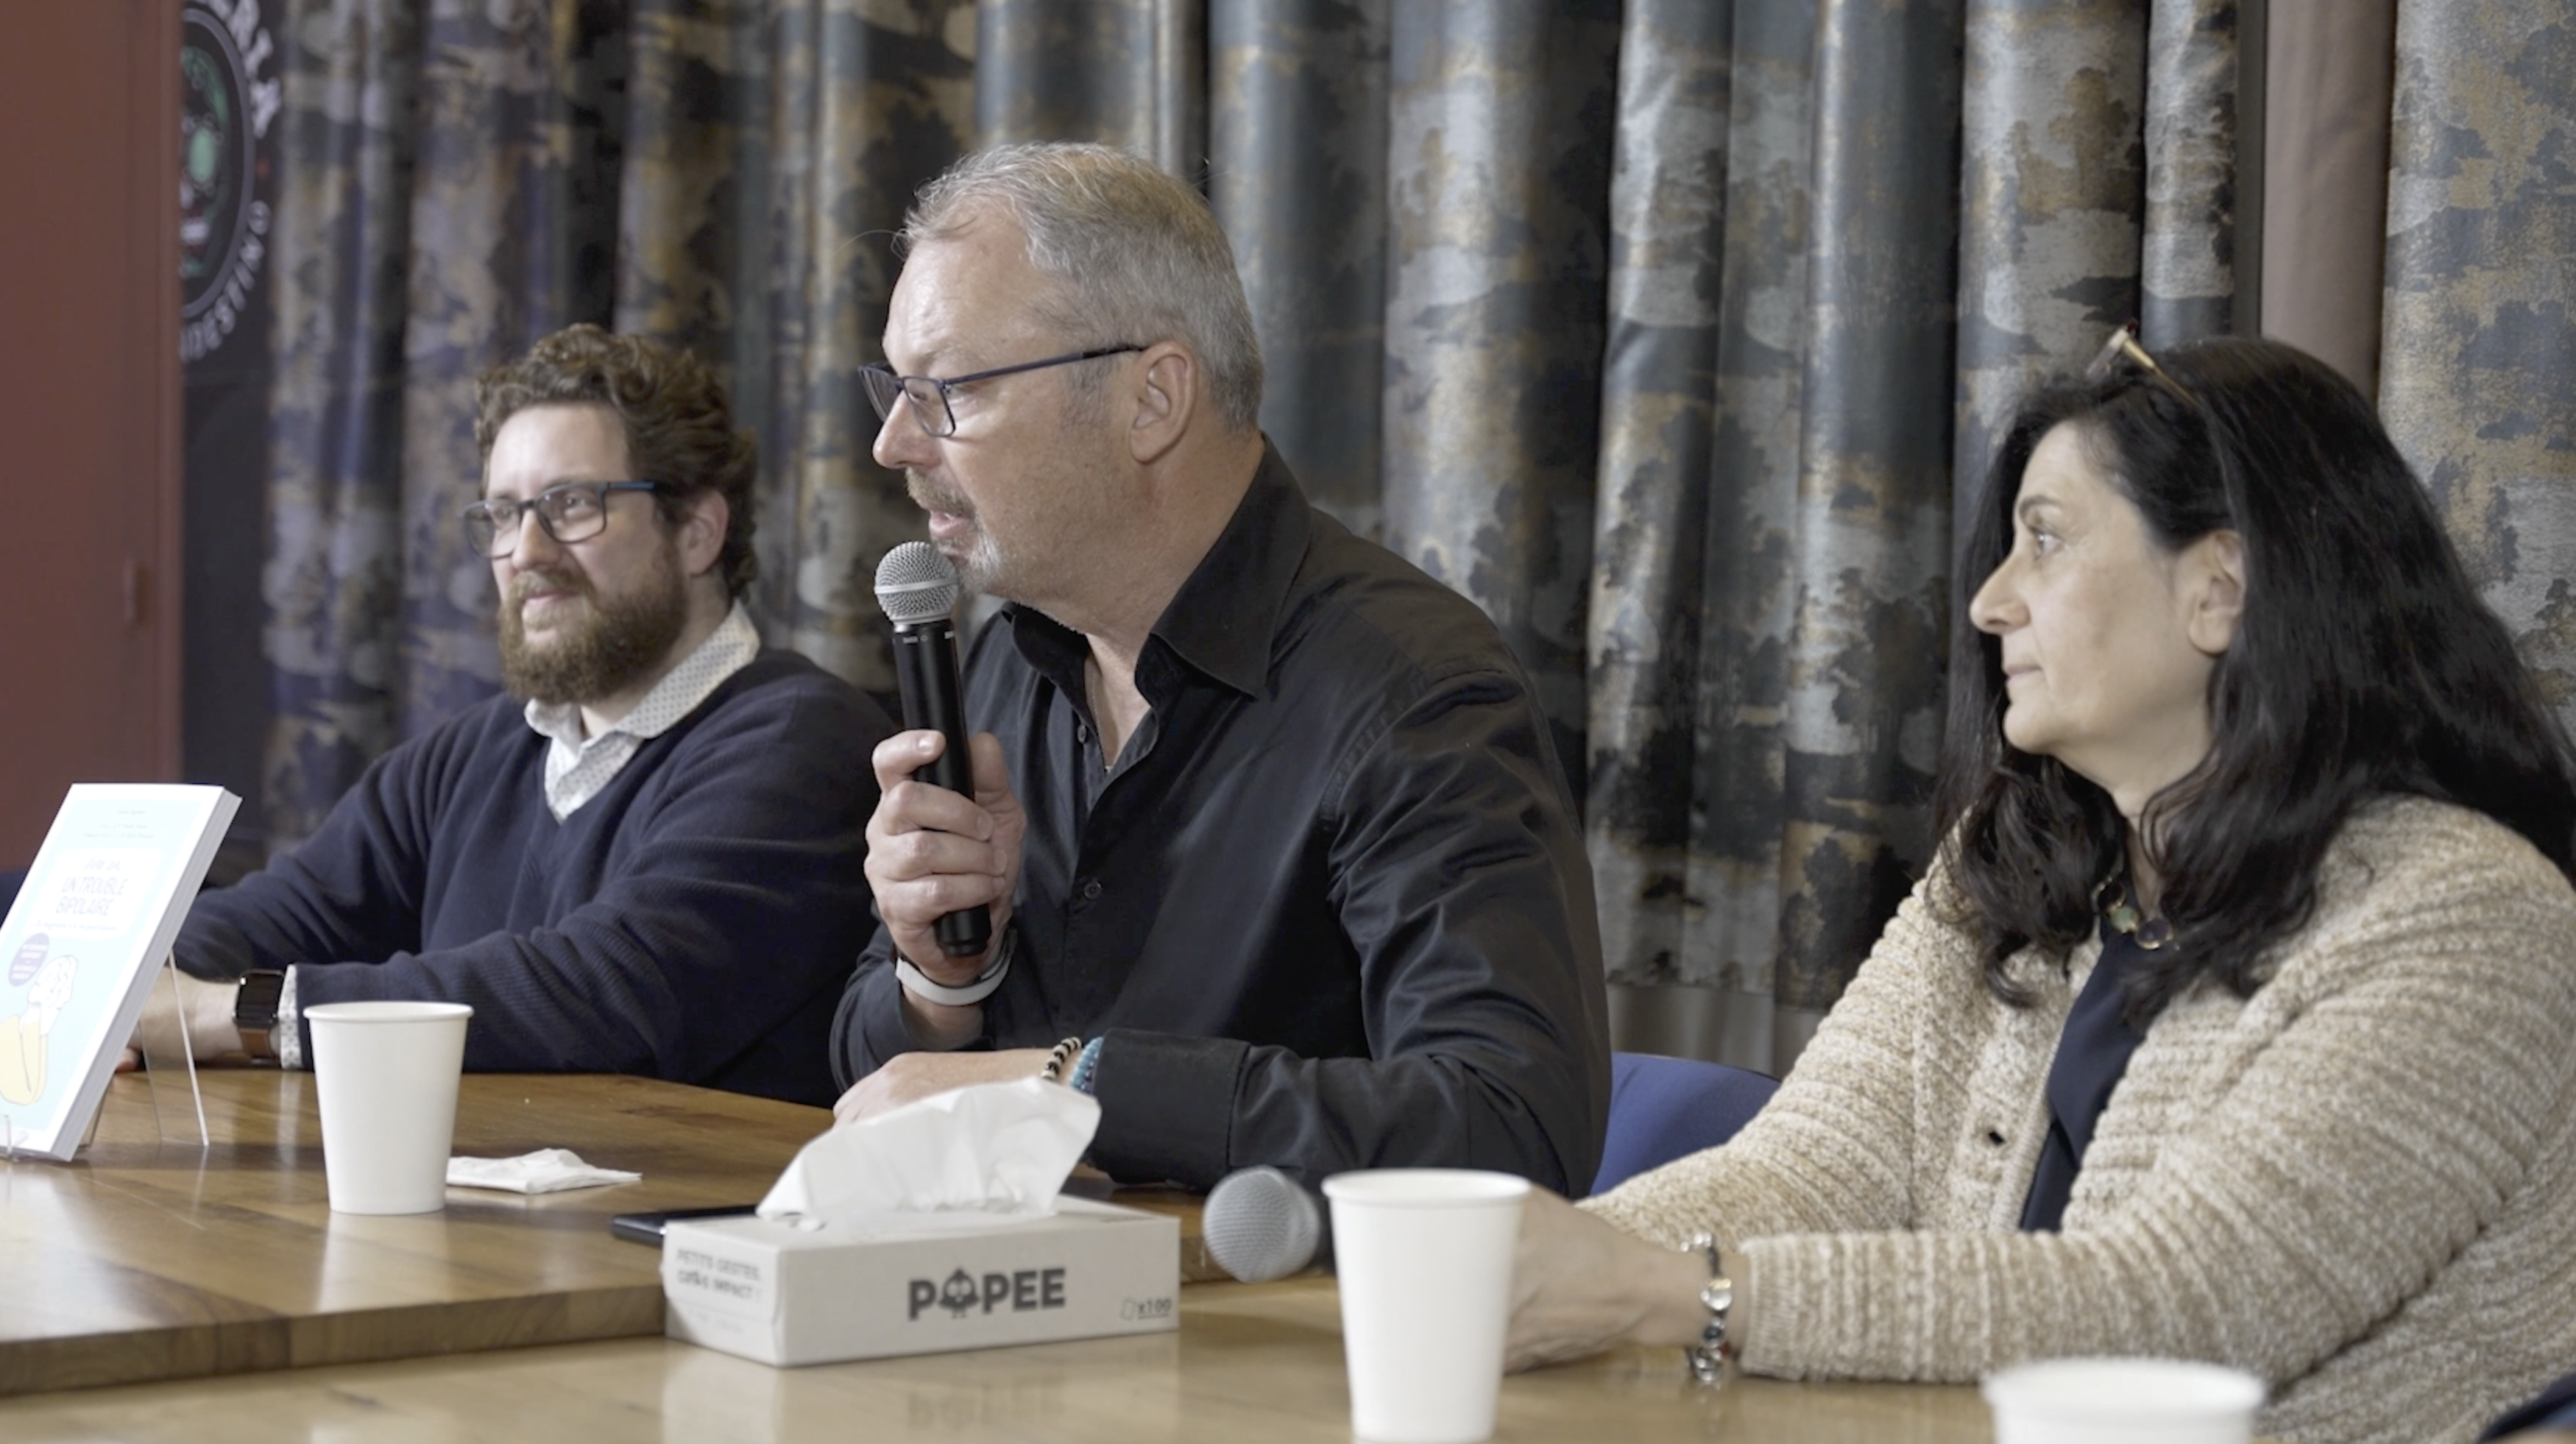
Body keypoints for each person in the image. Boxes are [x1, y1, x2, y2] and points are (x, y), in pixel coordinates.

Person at [1505, 333, 2576, 1444]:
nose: (1988, 601)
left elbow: (2172, 1312)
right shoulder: (2015, 859)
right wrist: (1531, 1266)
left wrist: (1679, 1297)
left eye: (2046, 542)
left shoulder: (2471, 917)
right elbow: (1811, 1172)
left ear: (2220, 589)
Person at [829, 142, 1610, 1195]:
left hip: (1286, 1340)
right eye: (896, 387)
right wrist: (944, 975)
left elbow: (1508, 1123)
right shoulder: (1011, 660)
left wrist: (1077, 1087)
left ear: (1152, 400)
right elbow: (876, 1086)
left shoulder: (1411, 688)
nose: (892, 443)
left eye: (948, 391)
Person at [135, 325, 891, 1107]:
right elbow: (279, 913)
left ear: (697, 530)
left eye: (570, 505)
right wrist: (135, 993)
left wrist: (228, 1015)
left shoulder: (802, 741)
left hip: (688, 1219)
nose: (525, 550)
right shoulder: (472, 754)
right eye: (502, 514)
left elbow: (606, 991)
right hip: (470, 1218)